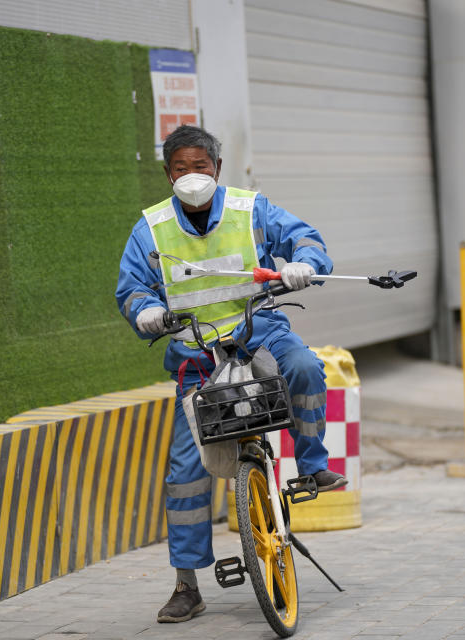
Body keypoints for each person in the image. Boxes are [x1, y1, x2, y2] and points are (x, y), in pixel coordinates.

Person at [115, 124, 347, 624]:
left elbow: (306, 239)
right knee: (184, 472)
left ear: (216, 169)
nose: (192, 176)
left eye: (201, 167)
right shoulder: (150, 230)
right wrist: (145, 312)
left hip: (258, 331)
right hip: (196, 355)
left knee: (306, 366)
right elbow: (131, 289)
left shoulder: (251, 209)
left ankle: (312, 466)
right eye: (181, 168)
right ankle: (186, 585)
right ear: (167, 173)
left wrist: (304, 264)